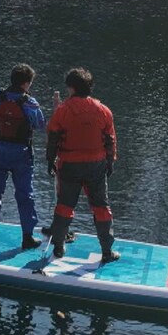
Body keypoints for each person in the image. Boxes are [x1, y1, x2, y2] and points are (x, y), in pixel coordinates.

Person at [43, 67, 120, 262]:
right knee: (101, 207)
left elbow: (53, 136)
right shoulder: (104, 111)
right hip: (96, 165)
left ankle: (59, 247)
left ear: (71, 88)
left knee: (64, 206)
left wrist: (50, 160)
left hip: (69, 165)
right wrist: (110, 162)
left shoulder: (63, 110)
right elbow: (110, 139)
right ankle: (107, 251)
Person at [0, 64, 47, 249]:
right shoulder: (30, 103)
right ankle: (27, 237)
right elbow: (40, 125)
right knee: (25, 194)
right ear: (26, 83)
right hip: (21, 153)